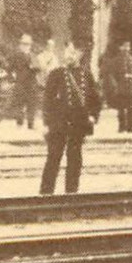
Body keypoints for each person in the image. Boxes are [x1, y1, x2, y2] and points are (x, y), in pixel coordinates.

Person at [40, 40, 101, 194]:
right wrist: (47, 122)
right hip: (58, 124)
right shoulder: (56, 74)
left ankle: (71, 194)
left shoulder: (86, 74)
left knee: (75, 160)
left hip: (78, 124)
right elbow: (47, 100)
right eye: (67, 52)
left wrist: (93, 115)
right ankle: (46, 193)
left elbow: (95, 98)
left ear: (79, 55)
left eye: (73, 53)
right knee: (53, 157)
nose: (69, 56)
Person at [103, 40, 132, 134]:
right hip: (121, 86)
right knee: (121, 108)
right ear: (120, 48)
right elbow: (111, 74)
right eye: (124, 47)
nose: (126, 49)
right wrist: (115, 85)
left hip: (131, 86)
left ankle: (130, 126)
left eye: (128, 47)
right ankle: (121, 127)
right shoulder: (116, 60)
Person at [9, 34, 41, 129]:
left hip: (31, 83)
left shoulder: (33, 55)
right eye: (24, 44)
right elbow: (9, 67)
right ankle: (19, 122)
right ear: (20, 45)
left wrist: (35, 68)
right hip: (20, 82)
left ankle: (30, 124)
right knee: (19, 103)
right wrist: (12, 77)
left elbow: (38, 68)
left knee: (31, 103)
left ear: (30, 45)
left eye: (27, 44)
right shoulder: (16, 55)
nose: (26, 46)